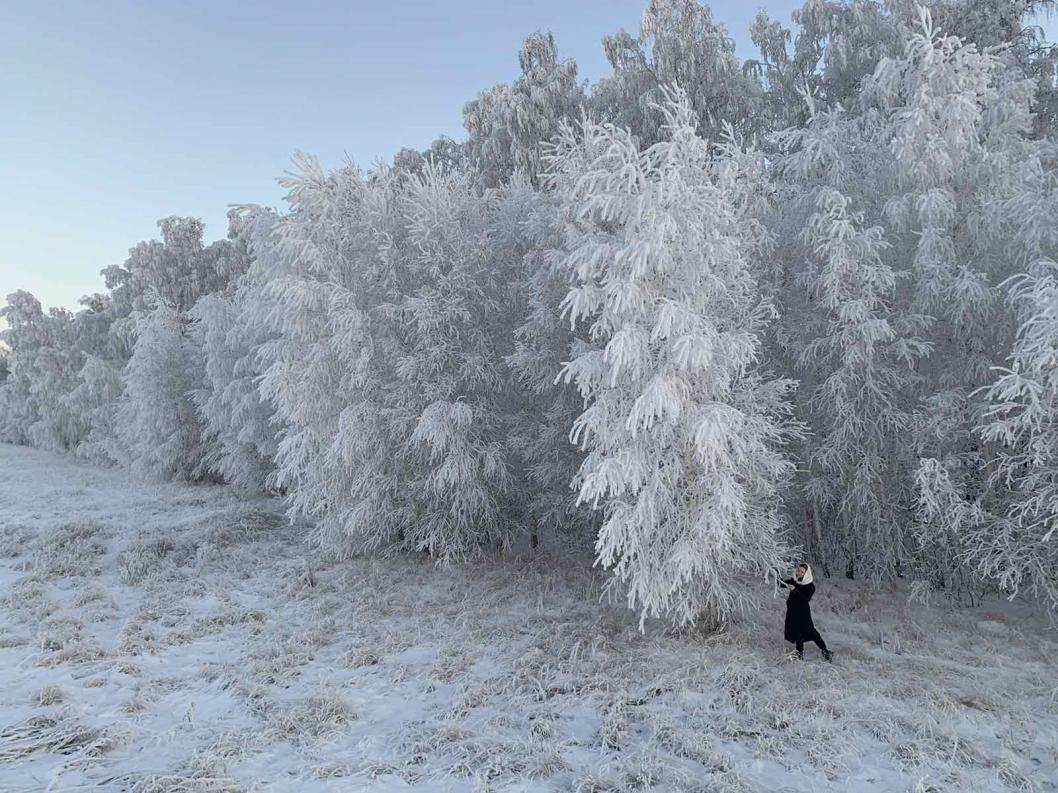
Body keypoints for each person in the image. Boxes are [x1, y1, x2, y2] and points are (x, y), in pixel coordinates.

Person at [779, 563, 833, 661]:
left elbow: (805, 599)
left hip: (802, 613)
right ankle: (799, 655)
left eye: (802, 572)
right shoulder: (794, 580)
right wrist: (775, 573)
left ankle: (825, 651)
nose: (799, 573)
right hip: (792, 612)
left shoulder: (810, 586)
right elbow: (781, 583)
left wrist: (795, 590)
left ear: (806, 573)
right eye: (798, 571)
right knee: (796, 633)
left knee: (812, 632)